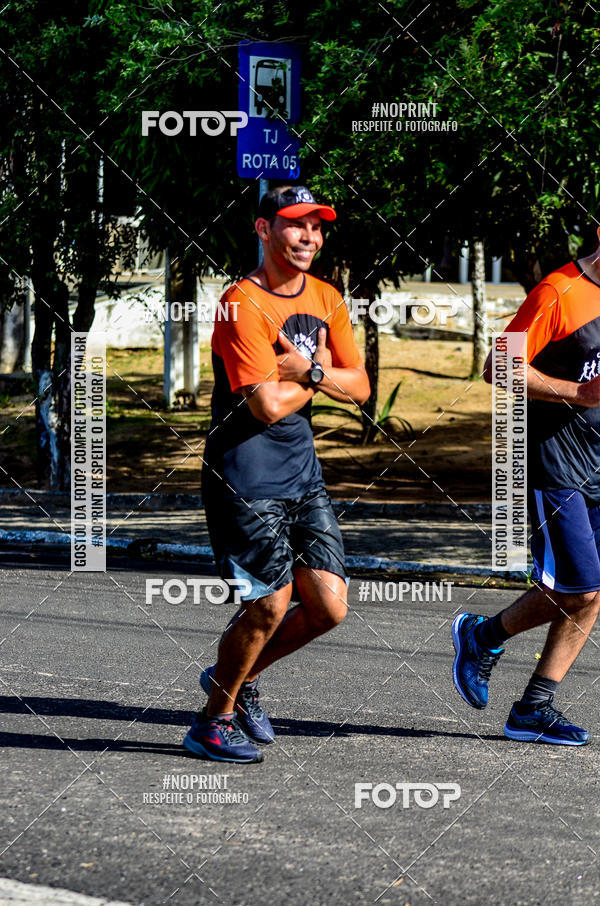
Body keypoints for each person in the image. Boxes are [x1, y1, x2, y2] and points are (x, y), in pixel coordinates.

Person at [184, 185, 370, 763]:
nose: (308, 237)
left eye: (316, 226)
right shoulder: (241, 303)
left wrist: (306, 371)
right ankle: (212, 722)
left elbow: (360, 387)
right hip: (245, 474)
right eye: (295, 224)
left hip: (302, 474)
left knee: (329, 607)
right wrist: (319, 374)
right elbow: (264, 405)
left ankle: (235, 677)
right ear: (264, 230)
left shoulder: (327, 297)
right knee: (268, 605)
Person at [452, 237, 600, 745]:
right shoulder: (559, 292)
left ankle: (533, 708)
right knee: (579, 587)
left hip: (598, 458)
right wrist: (578, 393)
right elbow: (498, 366)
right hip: (553, 461)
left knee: (592, 589)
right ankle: (483, 637)